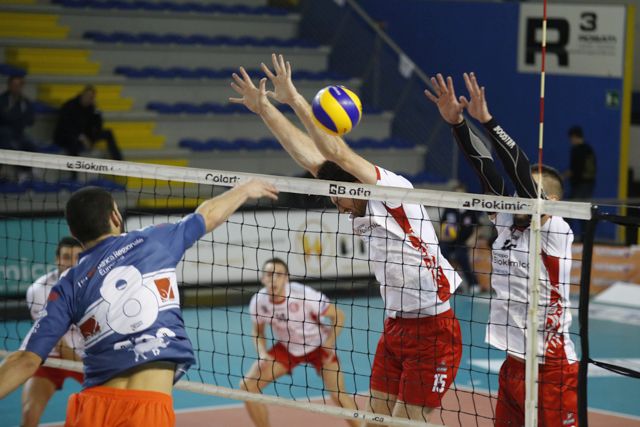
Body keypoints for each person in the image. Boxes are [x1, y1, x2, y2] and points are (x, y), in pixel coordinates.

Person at [229, 54, 463, 423]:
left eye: (338, 197)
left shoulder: (392, 191)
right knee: (374, 420)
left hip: (434, 331)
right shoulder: (357, 203)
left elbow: (336, 152)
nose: (337, 206)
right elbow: (312, 159)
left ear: (353, 184)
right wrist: (265, 110)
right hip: (395, 326)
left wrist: (294, 99)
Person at [0, 179, 278, 426]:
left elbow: (26, 360)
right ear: (115, 216)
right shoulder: (152, 240)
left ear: (75, 234)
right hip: (146, 408)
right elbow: (207, 215)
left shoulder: (66, 285)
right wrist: (244, 189)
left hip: (92, 406)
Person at [426, 72, 578, 427]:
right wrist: (458, 124)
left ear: (551, 202)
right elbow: (489, 173)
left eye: (530, 193)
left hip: (551, 367)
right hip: (513, 364)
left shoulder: (555, 230)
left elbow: (519, 171)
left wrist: (488, 121)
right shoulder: (509, 222)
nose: (519, 197)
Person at [240, 258, 358, 427]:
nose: (274, 279)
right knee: (248, 386)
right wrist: (262, 353)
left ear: (286, 278)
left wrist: (329, 342)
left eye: (279, 274)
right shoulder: (259, 302)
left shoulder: (304, 295)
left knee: (339, 395)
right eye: (269, 274)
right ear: (262, 278)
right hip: (288, 348)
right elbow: (258, 332)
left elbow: (339, 316)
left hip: (319, 346)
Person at [22, 237, 84, 427]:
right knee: (29, 414)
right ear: (57, 259)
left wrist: (88, 367)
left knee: (100, 414)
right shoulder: (38, 291)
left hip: (86, 355)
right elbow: (55, 340)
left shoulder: (97, 285)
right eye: (66, 257)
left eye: (77, 257)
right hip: (50, 354)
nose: (72, 263)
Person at [54, 85, 123, 161]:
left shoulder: (92, 108)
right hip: (69, 135)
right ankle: (75, 166)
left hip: (85, 134)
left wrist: (96, 110)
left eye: (91, 97)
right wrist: (81, 136)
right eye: (87, 96)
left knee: (108, 133)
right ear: (82, 95)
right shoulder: (70, 105)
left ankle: (119, 161)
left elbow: (98, 125)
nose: (89, 99)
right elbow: (65, 126)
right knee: (72, 141)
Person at [439, 183, 480, 294]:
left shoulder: (470, 210)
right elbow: (443, 226)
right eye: (456, 195)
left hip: (463, 242)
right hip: (449, 242)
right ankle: (450, 285)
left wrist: (473, 238)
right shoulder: (449, 209)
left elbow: (478, 227)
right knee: (441, 254)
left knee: (461, 256)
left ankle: (473, 283)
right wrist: (444, 236)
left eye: (461, 195)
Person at [0, 75, 36, 153]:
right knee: (7, 137)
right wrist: (19, 118)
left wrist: (15, 117)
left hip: (19, 134)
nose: (16, 87)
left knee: (32, 147)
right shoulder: (2, 100)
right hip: (4, 133)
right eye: (14, 85)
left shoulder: (25, 102)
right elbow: (4, 117)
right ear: (9, 85)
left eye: (19, 85)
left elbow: (31, 120)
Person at [566, 126, 596, 201]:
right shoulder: (589, 149)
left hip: (580, 185)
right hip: (590, 184)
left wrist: (562, 177)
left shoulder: (577, 150)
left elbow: (575, 169)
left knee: (575, 205)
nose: (571, 141)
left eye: (571, 139)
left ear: (574, 137)